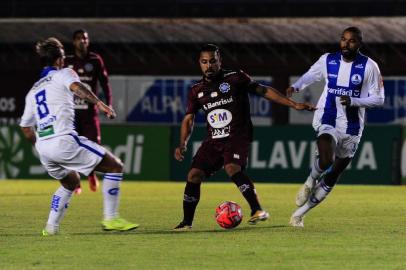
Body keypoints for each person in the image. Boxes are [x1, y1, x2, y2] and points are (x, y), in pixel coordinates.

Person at [173, 44, 316, 230]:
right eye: (204, 62)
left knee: (232, 167)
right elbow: (188, 118)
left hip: (237, 135)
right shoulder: (196, 90)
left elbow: (263, 90)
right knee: (193, 175)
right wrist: (182, 143)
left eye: (213, 61)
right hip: (213, 140)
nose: (209, 65)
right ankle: (186, 222)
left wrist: (293, 105)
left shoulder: (235, 77)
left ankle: (257, 210)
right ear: (199, 63)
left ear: (219, 61)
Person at [20, 37, 138, 235]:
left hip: (44, 149)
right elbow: (78, 88)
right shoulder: (64, 73)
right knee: (115, 166)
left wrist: (40, 146)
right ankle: (111, 219)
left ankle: (51, 227)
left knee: (71, 182)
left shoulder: (33, 91)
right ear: (59, 60)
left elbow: (26, 128)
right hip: (64, 141)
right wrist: (99, 103)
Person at [287, 27, 385, 227]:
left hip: (352, 127)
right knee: (325, 159)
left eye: (352, 41)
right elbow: (311, 75)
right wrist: (296, 86)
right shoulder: (328, 60)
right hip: (328, 114)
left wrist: (354, 101)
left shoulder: (369, 66)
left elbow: (379, 99)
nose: (346, 44)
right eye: (343, 39)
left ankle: (299, 214)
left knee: (334, 174)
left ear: (359, 44)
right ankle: (310, 180)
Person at [65, 29, 113, 193]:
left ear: (88, 41)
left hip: (90, 113)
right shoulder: (67, 61)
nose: (82, 41)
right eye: (78, 39)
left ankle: (91, 174)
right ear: (73, 42)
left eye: (84, 38)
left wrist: (109, 104)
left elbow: (105, 83)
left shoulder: (95, 60)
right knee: (72, 147)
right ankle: (76, 182)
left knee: (94, 146)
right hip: (71, 113)